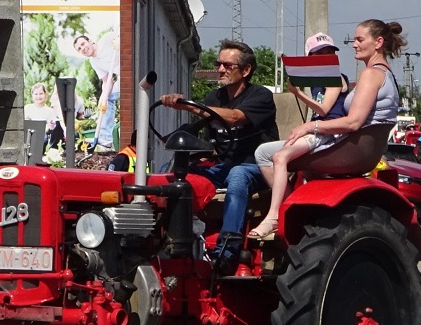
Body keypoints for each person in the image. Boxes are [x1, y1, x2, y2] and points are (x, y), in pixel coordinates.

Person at [248, 19, 405, 239]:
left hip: (348, 147)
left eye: (360, 39)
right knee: (265, 153)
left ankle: (277, 214)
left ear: (378, 42)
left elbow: (353, 122)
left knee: (275, 156)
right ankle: (292, 207)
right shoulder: (385, 74)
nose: (354, 44)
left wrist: (311, 126)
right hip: (354, 147)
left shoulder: (371, 74)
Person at [160, 40, 278, 270]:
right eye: (218, 64)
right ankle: (166, 238)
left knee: (238, 175)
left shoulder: (260, 96)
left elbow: (234, 117)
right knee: (174, 175)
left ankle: (227, 250)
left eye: (227, 65)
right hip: (223, 166)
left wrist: (189, 106)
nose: (220, 69)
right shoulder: (214, 98)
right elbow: (211, 143)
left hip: (256, 166)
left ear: (246, 70)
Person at [286, 32, 350, 121]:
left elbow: (323, 110)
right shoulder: (316, 79)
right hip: (319, 125)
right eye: (320, 53)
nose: (326, 56)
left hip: (333, 126)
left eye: (330, 52)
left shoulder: (334, 77)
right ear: (309, 56)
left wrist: (298, 93)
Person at [73, 32, 119, 152]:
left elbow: (122, 34)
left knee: (108, 97)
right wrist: (103, 97)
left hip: (132, 67)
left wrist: (119, 42)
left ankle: (105, 137)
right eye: (79, 48)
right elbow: (107, 81)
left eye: (83, 44)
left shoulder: (106, 39)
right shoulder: (94, 62)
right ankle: (106, 139)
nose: (83, 48)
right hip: (123, 78)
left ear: (90, 40)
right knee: (107, 99)